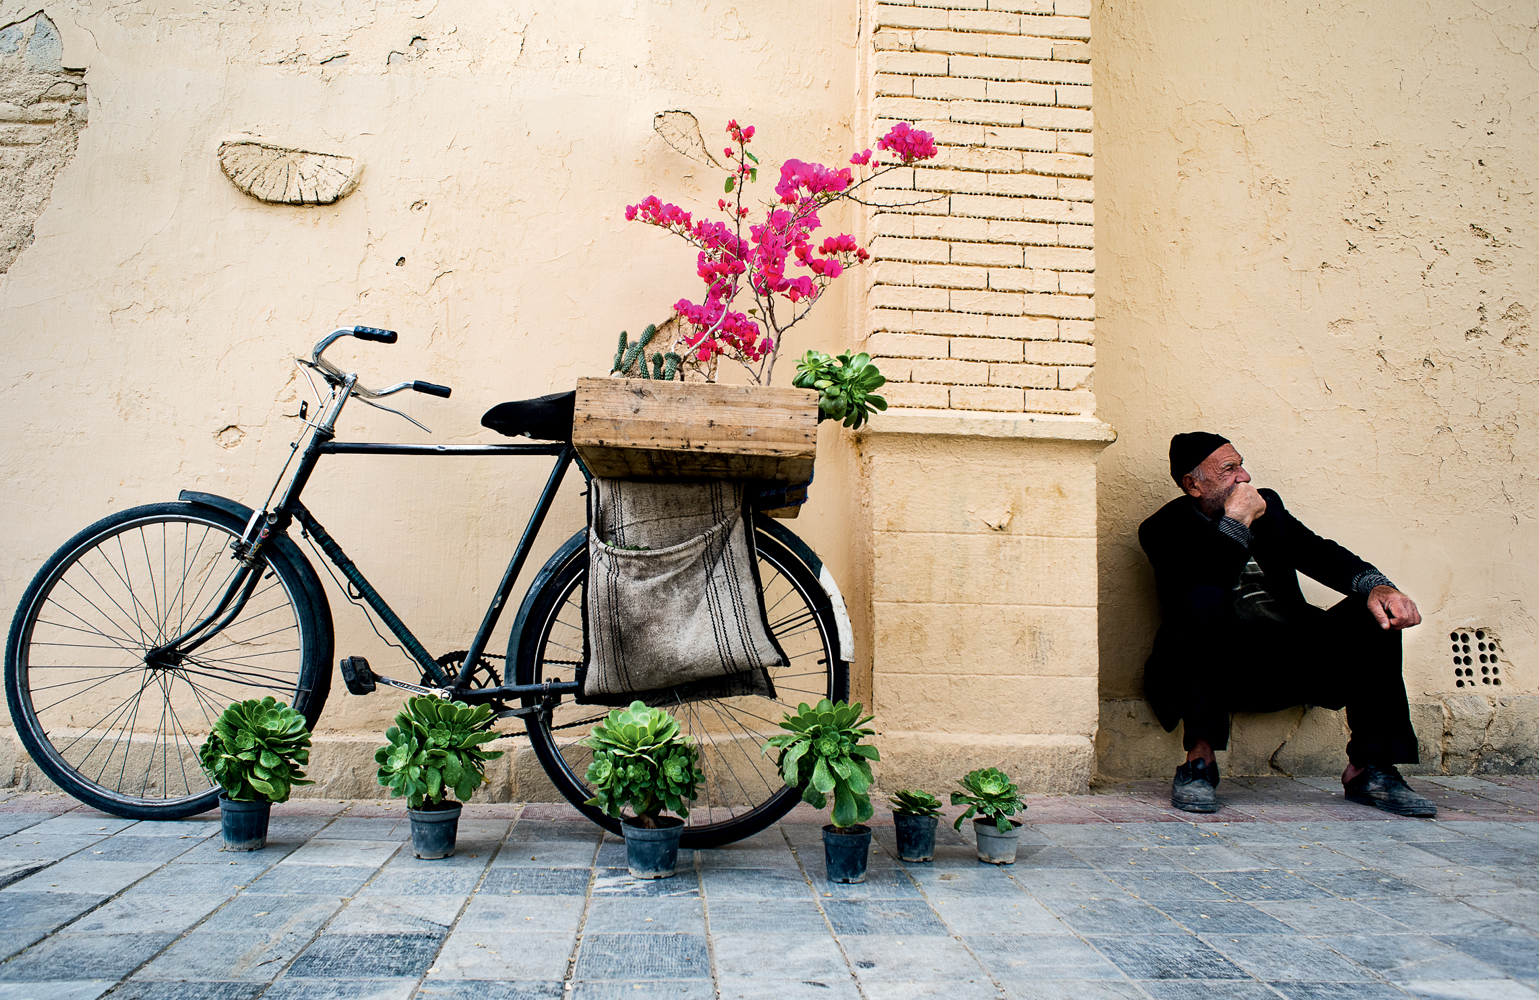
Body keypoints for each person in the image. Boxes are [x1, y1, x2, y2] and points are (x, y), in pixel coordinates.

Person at [1139, 432, 1435, 817]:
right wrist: (1236, 521)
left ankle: (1371, 769)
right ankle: (1199, 764)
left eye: (1241, 464)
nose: (1243, 477)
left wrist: (1379, 586)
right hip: (1218, 665)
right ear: (1193, 485)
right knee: (1203, 600)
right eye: (1229, 470)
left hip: (1287, 657)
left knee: (1373, 612)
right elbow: (1205, 582)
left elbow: (1318, 553)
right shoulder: (1162, 529)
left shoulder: (1268, 507)